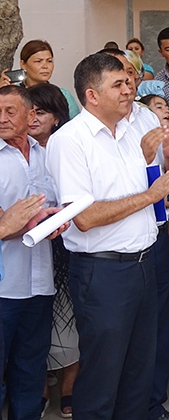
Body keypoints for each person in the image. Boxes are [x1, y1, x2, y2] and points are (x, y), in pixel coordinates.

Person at [45, 53, 169, 419]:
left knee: (139, 372)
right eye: (117, 84)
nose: (128, 89)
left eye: (129, 81)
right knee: (102, 376)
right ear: (91, 95)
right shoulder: (70, 141)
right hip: (103, 272)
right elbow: (84, 217)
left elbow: (143, 195)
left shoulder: (136, 129)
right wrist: (152, 195)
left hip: (144, 263)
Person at [0, 85, 69, 419]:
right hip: (4, 286)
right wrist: (18, 224)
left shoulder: (48, 155)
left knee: (30, 369)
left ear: (30, 116)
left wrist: (57, 220)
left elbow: (58, 205)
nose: (2, 119)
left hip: (40, 284)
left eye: (10, 111)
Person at [27, 83, 77, 417]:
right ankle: (41, 387)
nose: (33, 118)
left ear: (57, 117)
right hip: (28, 246)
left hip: (66, 243)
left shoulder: (68, 148)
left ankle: (69, 387)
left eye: (41, 112)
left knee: (68, 317)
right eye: (29, 111)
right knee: (37, 322)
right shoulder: (18, 150)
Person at [20, 39, 81, 118]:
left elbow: (75, 122)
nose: (45, 66)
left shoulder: (62, 95)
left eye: (49, 61)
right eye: (38, 61)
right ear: (23, 64)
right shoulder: (14, 92)